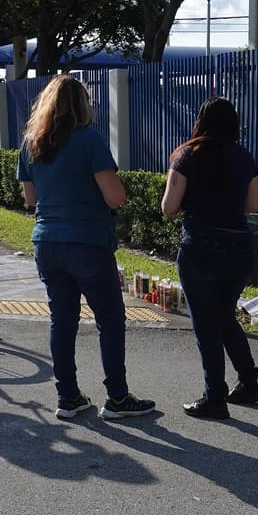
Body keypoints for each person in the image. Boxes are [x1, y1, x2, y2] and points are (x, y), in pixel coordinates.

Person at [18, 75, 153, 420]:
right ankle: (118, 398)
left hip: (46, 242)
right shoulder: (90, 141)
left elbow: (31, 198)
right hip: (88, 243)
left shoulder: (32, 145)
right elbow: (115, 196)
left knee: (62, 321)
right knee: (109, 319)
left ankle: (68, 397)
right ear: (82, 105)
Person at [161, 97, 258, 419]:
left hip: (200, 248)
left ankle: (214, 397)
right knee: (223, 316)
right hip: (239, 249)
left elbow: (168, 208)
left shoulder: (185, 155)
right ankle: (249, 382)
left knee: (206, 324)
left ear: (201, 121)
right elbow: (251, 209)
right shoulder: (245, 158)